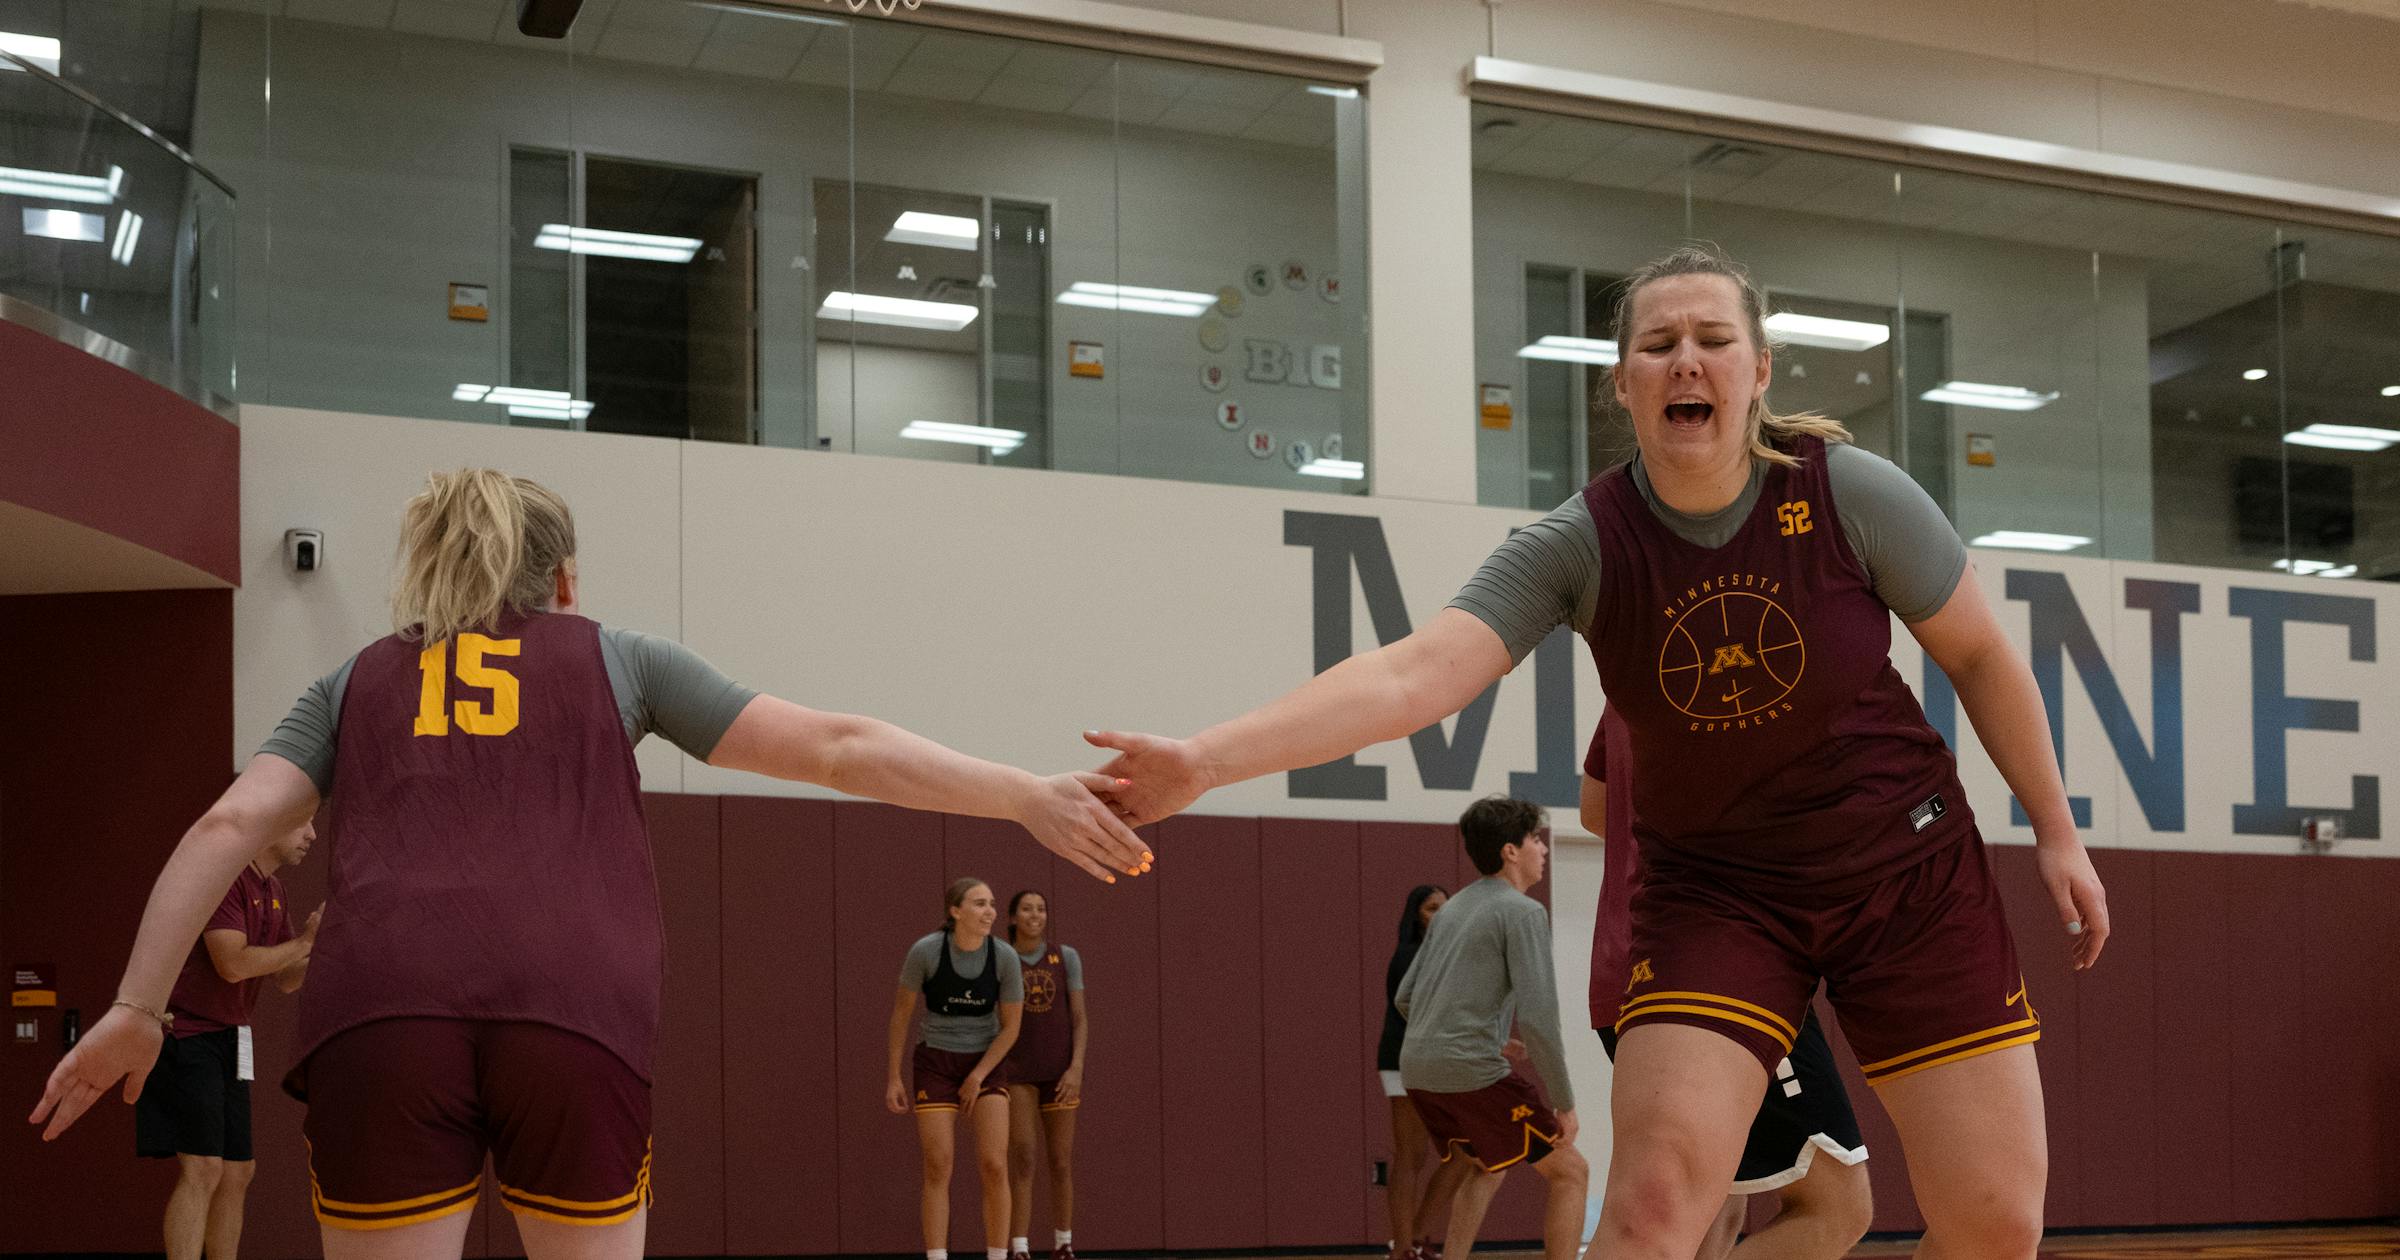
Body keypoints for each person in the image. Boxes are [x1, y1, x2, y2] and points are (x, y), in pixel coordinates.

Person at [1085, 244, 2107, 1260]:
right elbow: (1415, 674)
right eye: (1658, 345)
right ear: (1623, 384)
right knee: (1657, 1205)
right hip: (1720, 896)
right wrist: (1207, 761)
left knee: (1995, 1224)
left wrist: (2057, 831)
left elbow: (1978, 654)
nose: (1686, 361)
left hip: (1907, 873)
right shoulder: (1583, 544)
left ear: (1759, 372)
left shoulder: (1853, 495)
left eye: (1714, 340)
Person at [31, 468, 1150, 1260]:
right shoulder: (618, 658)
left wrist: (137, 1002)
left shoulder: (356, 680)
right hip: (572, 1008)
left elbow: (222, 830)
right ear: (566, 581)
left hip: (379, 1013)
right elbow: (837, 746)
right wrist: (1022, 793)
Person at [1583, 708, 1871, 1260]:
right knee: (1837, 1206)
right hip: (1719, 967)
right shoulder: (1755, 670)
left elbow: (1596, 809)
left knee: (1706, 1209)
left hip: (1627, 968)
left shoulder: (1631, 669)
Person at [1393, 798, 1587, 1260]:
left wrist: (1478, 1038)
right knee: (1571, 1172)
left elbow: (1406, 997)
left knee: (1489, 1166)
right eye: (1535, 839)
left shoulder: (1454, 907)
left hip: (1417, 1070)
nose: (1542, 848)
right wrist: (1564, 1101)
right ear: (1510, 852)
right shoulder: (1522, 913)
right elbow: (1540, 1020)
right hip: (1468, 1071)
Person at [138, 820, 318, 1260]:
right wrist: (304, 943)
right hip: (188, 1033)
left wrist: (320, 945)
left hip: (233, 1037)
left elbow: (287, 979)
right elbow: (232, 965)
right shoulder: (224, 880)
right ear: (272, 825)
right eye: (303, 823)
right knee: (202, 1167)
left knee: (239, 1170)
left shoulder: (274, 888)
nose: (312, 834)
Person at [890, 878, 1024, 1260]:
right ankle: (937, 1256)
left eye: (992, 904)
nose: (990, 912)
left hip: (986, 1061)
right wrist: (893, 1076)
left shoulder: (1003, 957)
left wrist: (978, 1076)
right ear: (955, 911)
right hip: (936, 1061)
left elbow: (1012, 1027)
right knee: (938, 1164)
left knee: (995, 1165)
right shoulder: (926, 952)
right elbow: (901, 1016)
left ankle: (998, 1256)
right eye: (980, 904)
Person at [1380, 884, 1475, 1260]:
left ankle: (1416, 1238)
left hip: (1439, 1061)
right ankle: (1403, 1247)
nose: (1442, 914)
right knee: (1411, 1156)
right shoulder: (1409, 956)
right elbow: (1418, 1009)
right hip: (1405, 1058)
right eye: (1432, 909)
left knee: (1465, 1153)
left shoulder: (1450, 955)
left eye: (1446, 907)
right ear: (1415, 917)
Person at [998, 889, 1085, 1260]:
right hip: (1018, 1071)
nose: (1035, 915)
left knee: (1061, 1160)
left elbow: (1080, 1019)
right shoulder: (1002, 958)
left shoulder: (1065, 958)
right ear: (1013, 917)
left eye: (1041, 909)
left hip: (1060, 1072)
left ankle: (1064, 1242)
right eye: (1027, 909)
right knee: (1023, 1156)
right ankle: (1019, 1246)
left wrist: (1076, 1067)